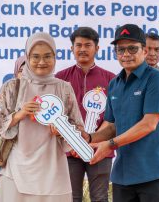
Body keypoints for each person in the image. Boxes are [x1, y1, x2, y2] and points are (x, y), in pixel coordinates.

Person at [0, 32, 84, 202]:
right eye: (35, 57)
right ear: (27, 57)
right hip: (15, 170)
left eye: (47, 56)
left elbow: (78, 128)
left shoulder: (64, 88)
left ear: (55, 57)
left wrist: (62, 131)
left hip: (54, 170)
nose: (42, 62)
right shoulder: (11, 87)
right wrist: (19, 115)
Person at [87, 24, 159, 202]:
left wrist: (109, 145)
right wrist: (87, 139)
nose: (126, 54)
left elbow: (149, 124)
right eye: (120, 49)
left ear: (144, 51)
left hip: (152, 174)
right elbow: (111, 126)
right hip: (122, 175)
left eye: (132, 48)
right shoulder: (114, 84)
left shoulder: (156, 79)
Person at [56, 27, 115, 202]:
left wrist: (93, 141)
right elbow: (56, 115)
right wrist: (73, 143)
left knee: (100, 198)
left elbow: (113, 117)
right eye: (78, 45)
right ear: (72, 48)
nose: (82, 49)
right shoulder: (60, 78)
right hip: (68, 151)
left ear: (97, 48)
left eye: (87, 45)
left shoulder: (111, 79)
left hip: (100, 149)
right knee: (70, 198)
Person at [0, 55, 26, 202]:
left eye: (31, 70)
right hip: (9, 152)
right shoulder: (9, 88)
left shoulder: (47, 90)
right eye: (22, 70)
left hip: (38, 156)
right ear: (16, 71)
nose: (26, 75)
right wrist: (17, 117)